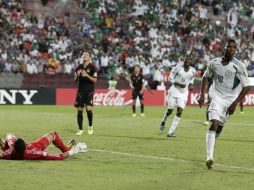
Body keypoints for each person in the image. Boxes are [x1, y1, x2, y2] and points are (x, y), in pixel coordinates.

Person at [198, 39, 250, 169]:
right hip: (216, 96)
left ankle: (212, 140)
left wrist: (235, 103)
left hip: (230, 100)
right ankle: (209, 157)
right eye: (229, 47)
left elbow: (247, 86)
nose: (231, 49)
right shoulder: (214, 63)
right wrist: (203, 94)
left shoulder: (239, 66)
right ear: (225, 48)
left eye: (234, 48)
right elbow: (206, 77)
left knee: (220, 127)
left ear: (236, 50)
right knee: (214, 123)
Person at [160, 55, 196, 137]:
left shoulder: (193, 70)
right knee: (170, 110)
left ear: (191, 62)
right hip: (174, 90)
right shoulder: (177, 68)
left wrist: (190, 85)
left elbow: (191, 79)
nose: (187, 60)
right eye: (185, 59)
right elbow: (170, 78)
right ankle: (164, 120)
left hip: (183, 92)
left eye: (189, 59)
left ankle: (170, 132)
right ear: (183, 60)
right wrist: (178, 83)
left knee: (180, 111)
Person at [0, 131, 87, 160]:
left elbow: (9, 135)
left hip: (12, 148)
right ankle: (69, 147)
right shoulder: (35, 153)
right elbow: (59, 157)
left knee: (9, 137)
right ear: (25, 147)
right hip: (38, 146)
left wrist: (4, 147)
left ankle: (70, 146)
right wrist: (75, 151)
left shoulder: (8, 153)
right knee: (53, 134)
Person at [74, 51, 97, 135]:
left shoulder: (93, 67)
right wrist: (77, 76)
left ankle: (90, 126)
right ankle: (80, 129)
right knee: (79, 110)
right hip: (80, 91)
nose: (84, 56)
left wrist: (86, 75)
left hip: (89, 91)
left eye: (86, 55)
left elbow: (95, 80)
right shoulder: (78, 67)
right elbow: (75, 81)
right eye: (83, 55)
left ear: (89, 57)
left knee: (88, 109)